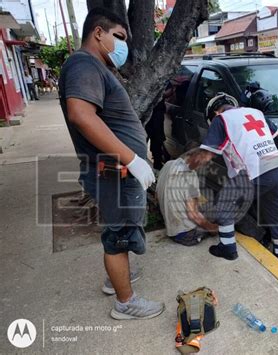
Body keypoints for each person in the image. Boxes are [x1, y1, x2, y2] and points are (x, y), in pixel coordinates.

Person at [58, 7, 164, 320]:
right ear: (98, 33)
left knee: (122, 230)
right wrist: (133, 159)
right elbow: (81, 115)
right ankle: (125, 303)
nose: (122, 45)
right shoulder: (83, 63)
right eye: (118, 37)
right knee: (118, 236)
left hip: (116, 172)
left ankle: (115, 280)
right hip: (114, 173)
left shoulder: (96, 67)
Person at [198, 92, 278, 265]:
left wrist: (187, 165)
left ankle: (227, 248)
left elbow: (206, 155)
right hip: (276, 166)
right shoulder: (255, 113)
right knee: (273, 210)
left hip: (253, 171)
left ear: (214, 112)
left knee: (223, 205)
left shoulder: (221, 120)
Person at [156, 149, 218, 246]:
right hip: (185, 235)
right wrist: (212, 228)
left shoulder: (168, 164)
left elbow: (157, 195)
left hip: (170, 226)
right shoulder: (191, 176)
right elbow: (193, 214)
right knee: (216, 216)